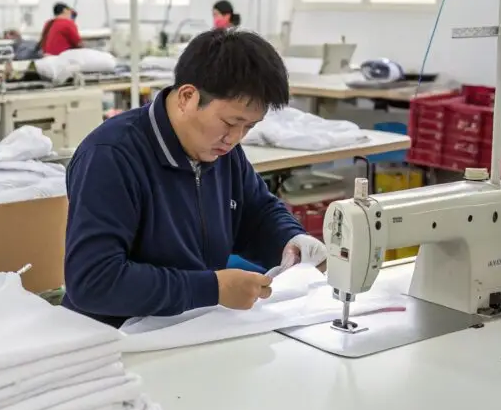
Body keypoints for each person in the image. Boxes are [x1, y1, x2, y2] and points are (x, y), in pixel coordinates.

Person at [62, 27, 327, 326]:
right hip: (114, 338)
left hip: (186, 326)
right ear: (187, 97)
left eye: (249, 127)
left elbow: (257, 214)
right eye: (231, 122)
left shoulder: (221, 151)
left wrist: (290, 239)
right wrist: (212, 288)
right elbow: (93, 281)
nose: (235, 138)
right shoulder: (111, 156)